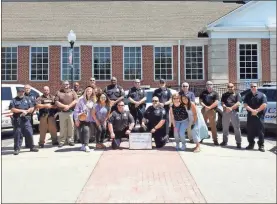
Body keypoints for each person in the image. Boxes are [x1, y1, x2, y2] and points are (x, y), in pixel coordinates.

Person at [9, 88, 39, 155]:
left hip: (26, 119)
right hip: (18, 120)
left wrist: (27, 111)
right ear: (17, 92)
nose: (21, 93)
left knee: (29, 133)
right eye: (20, 92)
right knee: (18, 135)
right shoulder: (14, 100)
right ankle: (16, 149)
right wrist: (22, 111)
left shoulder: (27, 99)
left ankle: (32, 147)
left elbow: (32, 108)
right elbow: (12, 109)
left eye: (22, 92)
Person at [244, 83, 267, 152]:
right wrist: (252, 111)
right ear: (250, 88)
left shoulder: (262, 95)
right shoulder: (248, 95)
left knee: (260, 131)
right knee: (250, 131)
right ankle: (251, 144)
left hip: (259, 116)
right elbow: (245, 104)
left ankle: (261, 145)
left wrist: (257, 110)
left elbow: (264, 104)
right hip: (250, 116)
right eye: (252, 86)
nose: (253, 87)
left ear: (257, 87)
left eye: (255, 86)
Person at [55, 80, 78, 147]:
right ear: (62, 85)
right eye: (64, 84)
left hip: (70, 112)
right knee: (62, 128)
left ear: (69, 85)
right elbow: (56, 102)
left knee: (71, 127)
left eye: (67, 84)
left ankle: (70, 141)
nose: (66, 85)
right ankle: (62, 142)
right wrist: (64, 106)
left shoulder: (72, 92)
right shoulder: (58, 92)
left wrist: (69, 106)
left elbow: (76, 100)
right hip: (62, 113)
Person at [73, 87, 95, 152]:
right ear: (85, 91)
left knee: (86, 130)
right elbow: (76, 110)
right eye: (88, 90)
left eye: (90, 91)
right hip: (80, 117)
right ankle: (83, 145)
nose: (89, 92)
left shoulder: (93, 100)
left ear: (92, 92)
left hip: (89, 119)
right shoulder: (80, 99)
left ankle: (86, 145)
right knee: (80, 131)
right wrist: (76, 119)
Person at [220, 83, 242, 148]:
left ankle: (238, 142)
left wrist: (231, 108)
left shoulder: (237, 94)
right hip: (226, 112)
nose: (230, 88)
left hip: (234, 112)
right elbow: (222, 103)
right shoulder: (224, 95)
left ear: (234, 87)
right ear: (227, 87)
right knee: (225, 127)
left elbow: (238, 103)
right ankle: (224, 141)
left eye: (231, 87)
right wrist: (226, 108)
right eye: (229, 87)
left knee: (236, 128)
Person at [199, 81, 219, 145]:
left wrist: (209, 107)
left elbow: (216, 102)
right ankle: (201, 138)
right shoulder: (203, 93)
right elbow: (200, 101)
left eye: (210, 84)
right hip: (204, 110)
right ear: (206, 85)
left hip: (212, 111)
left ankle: (215, 140)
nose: (209, 85)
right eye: (207, 84)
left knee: (213, 126)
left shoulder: (215, 93)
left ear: (212, 85)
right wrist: (205, 106)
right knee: (202, 125)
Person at [24, 84, 37, 148]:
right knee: (26, 130)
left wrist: (33, 111)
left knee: (30, 130)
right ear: (24, 89)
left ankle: (31, 143)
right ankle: (27, 144)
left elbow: (35, 105)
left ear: (30, 89)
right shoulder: (22, 95)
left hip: (30, 115)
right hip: (24, 115)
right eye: (26, 88)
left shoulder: (33, 96)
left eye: (28, 88)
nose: (27, 89)